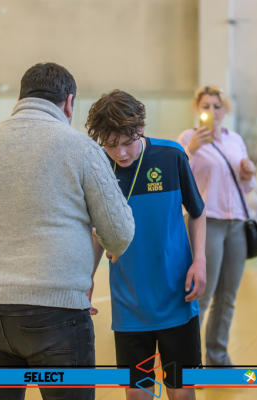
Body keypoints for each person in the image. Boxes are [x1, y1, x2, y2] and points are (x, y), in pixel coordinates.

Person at [0, 64, 135, 400]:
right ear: (68, 103)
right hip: (56, 310)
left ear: (21, 98)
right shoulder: (80, 147)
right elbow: (119, 232)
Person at [86, 90, 206, 400]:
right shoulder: (98, 166)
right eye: (110, 145)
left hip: (177, 299)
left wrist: (200, 261)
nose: (120, 153)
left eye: (127, 143)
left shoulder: (172, 155)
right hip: (129, 306)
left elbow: (197, 211)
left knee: (181, 393)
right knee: (137, 395)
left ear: (141, 128)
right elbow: (98, 230)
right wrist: (87, 277)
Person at [177, 86, 256, 366]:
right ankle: (188, 361)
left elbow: (247, 186)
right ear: (197, 109)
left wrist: (248, 173)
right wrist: (192, 149)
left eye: (217, 106)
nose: (212, 111)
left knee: (227, 297)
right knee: (202, 294)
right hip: (205, 222)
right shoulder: (187, 139)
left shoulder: (235, 140)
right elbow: (175, 177)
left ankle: (218, 357)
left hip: (236, 223)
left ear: (225, 110)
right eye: (206, 106)